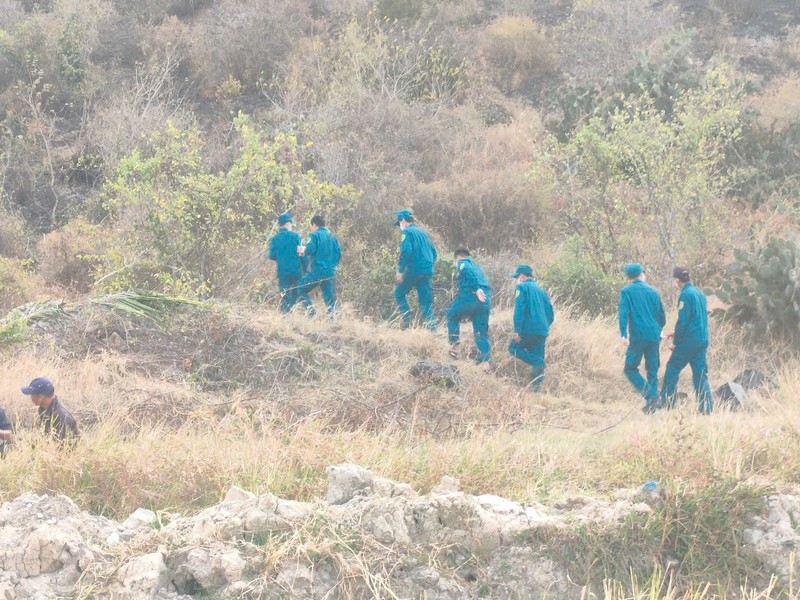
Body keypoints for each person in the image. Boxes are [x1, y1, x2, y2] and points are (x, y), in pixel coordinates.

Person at [659, 266, 713, 414]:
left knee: (672, 368)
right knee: (700, 374)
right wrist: (673, 333)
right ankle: (706, 408)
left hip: (689, 341)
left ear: (677, 279)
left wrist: (675, 342)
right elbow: (696, 319)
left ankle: (666, 403)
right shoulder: (699, 293)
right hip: (702, 339)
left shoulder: (685, 295)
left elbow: (683, 321)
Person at [618, 262, 666, 414]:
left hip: (638, 336)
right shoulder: (653, 291)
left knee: (630, 368)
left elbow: (623, 314)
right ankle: (653, 406)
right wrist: (659, 329)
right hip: (654, 335)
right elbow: (662, 315)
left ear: (628, 277)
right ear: (641, 274)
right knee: (652, 369)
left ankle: (652, 396)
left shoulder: (626, 291)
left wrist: (623, 333)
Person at [508, 264, 554, 391]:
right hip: (542, 330)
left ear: (522, 276)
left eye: (517, 277)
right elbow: (550, 313)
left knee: (513, 348)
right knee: (538, 355)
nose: (517, 280)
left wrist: (517, 329)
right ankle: (536, 389)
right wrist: (544, 325)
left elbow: (519, 309)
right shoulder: (541, 290)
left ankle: (538, 363)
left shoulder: (521, 287)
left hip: (527, 329)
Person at [446, 247, 491, 365]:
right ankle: (485, 362)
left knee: (451, 314)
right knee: (481, 332)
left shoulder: (463, 263)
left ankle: (455, 345)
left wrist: (476, 289)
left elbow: (466, 270)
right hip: (485, 300)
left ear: (457, 258)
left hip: (470, 296)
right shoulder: (478, 267)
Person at [394, 209, 438, 330]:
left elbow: (407, 251)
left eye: (399, 223)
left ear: (402, 220)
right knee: (426, 303)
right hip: (427, 271)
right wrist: (428, 265)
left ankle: (407, 317)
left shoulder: (407, 233)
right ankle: (432, 330)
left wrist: (400, 270)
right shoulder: (424, 233)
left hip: (413, 270)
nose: (400, 226)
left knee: (399, 293)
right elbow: (434, 253)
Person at [297, 215, 341, 316]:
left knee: (299, 288)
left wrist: (303, 250)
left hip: (317, 271)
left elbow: (310, 249)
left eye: (311, 226)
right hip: (330, 272)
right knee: (330, 299)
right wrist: (332, 265)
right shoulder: (333, 237)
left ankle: (310, 310)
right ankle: (333, 322)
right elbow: (339, 254)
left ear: (314, 225)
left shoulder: (314, 235)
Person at [21, 377, 80, 442]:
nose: (31, 397)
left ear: (40, 397)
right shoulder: (44, 408)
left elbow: (65, 446)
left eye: (32, 395)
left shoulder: (60, 415)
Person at [268, 211, 306, 313]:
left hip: (282, 271)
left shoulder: (275, 239)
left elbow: (271, 256)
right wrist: (306, 269)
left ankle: (286, 316)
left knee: (284, 294)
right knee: (300, 292)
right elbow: (302, 254)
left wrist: (281, 257)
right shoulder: (296, 236)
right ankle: (309, 312)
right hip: (296, 271)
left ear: (280, 224)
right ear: (289, 223)